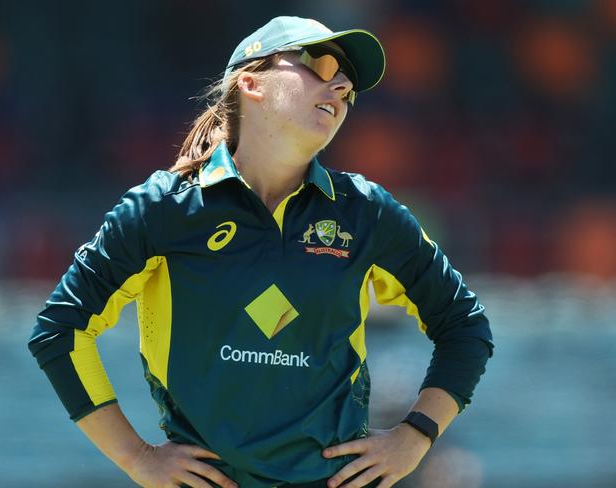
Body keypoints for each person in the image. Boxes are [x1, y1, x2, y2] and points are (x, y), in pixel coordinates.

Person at [28, 15, 493, 488]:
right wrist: (136, 457)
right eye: (321, 62)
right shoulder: (161, 210)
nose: (339, 85)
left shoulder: (368, 214)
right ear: (250, 82)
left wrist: (414, 437)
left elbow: (465, 326)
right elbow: (59, 332)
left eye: (348, 86)